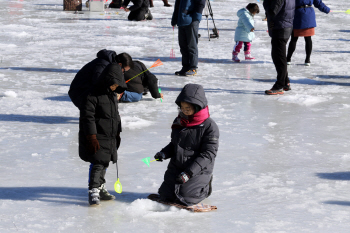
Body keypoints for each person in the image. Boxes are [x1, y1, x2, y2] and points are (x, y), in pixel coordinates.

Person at [79, 53, 133, 206]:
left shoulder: (111, 97)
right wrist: (91, 137)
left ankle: (101, 186)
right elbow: (87, 118)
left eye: (117, 86)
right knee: (98, 162)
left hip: (109, 135)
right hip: (97, 135)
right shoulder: (92, 95)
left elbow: (114, 116)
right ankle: (93, 190)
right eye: (113, 85)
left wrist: (117, 131)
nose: (115, 88)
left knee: (105, 162)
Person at [154, 83, 219, 206]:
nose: (184, 111)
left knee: (187, 198)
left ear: (197, 107)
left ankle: (204, 188)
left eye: (187, 108)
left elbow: (208, 154)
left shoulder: (209, 126)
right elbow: (175, 144)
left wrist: (189, 173)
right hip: (177, 166)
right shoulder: (179, 121)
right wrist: (163, 153)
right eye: (182, 107)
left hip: (198, 169)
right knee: (165, 195)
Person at [263, 0, 295, 95]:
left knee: (278, 57)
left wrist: (266, 2)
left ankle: (280, 85)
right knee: (280, 56)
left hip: (281, 28)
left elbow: (273, 11)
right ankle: (285, 82)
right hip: (285, 26)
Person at [286, 0, 330, 66]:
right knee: (308, 39)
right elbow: (318, 2)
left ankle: (288, 59)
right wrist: (326, 9)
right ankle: (307, 59)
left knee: (294, 38)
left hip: (297, 14)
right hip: (308, 15)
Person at [171, 0, 206, 76]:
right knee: (183, 46)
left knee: (191, 45)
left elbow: (201, 3)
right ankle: (185, 67)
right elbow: (177, 5)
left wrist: (196, 19)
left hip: (191, 21)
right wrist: (174, 18)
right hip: (181, 20)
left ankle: (193, 68)